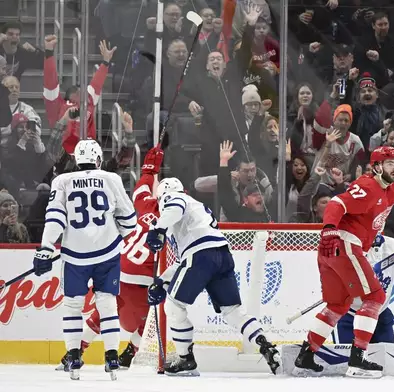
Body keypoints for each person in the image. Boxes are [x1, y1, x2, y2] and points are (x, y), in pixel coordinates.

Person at [293, 146, 394, 378]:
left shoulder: (389, 189)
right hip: (344, 244)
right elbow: (336, 204)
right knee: (375, 297)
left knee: (338, 305)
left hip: (332, 250)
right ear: (377, 166)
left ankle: (306, 354)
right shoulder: (367, 186)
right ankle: (357, 360)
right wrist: (329, 229)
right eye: (390, 164)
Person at [145, 177, 280, 376]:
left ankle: (185, 360)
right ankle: (265, 344)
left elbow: (193, 253)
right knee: (232, 311)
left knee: (173, 306)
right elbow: (184, 262)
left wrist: (157, 230)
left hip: (201, 256)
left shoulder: (172, 198)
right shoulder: (196, 209)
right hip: (221, 255)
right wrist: (162, 281)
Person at [32, 139, 137, 380]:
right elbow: (130, 220)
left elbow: (55, 217)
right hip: (108, 253)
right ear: (99, 159)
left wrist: (46, 248)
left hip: (75, 256)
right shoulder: (111, 179)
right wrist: (116, 234)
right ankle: (111, 356)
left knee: (72, 306)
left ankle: (74, 356)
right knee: (107, 303)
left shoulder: (62, 181)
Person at [55, 147, 167, 371]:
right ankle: (128, 353)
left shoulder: (145, 203)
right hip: (145, 280)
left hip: (122, 268)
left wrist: (150, 168)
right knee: (155, 316)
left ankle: (73, 354)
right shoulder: (177, 218)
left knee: (103, 313)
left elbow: (141, 187)